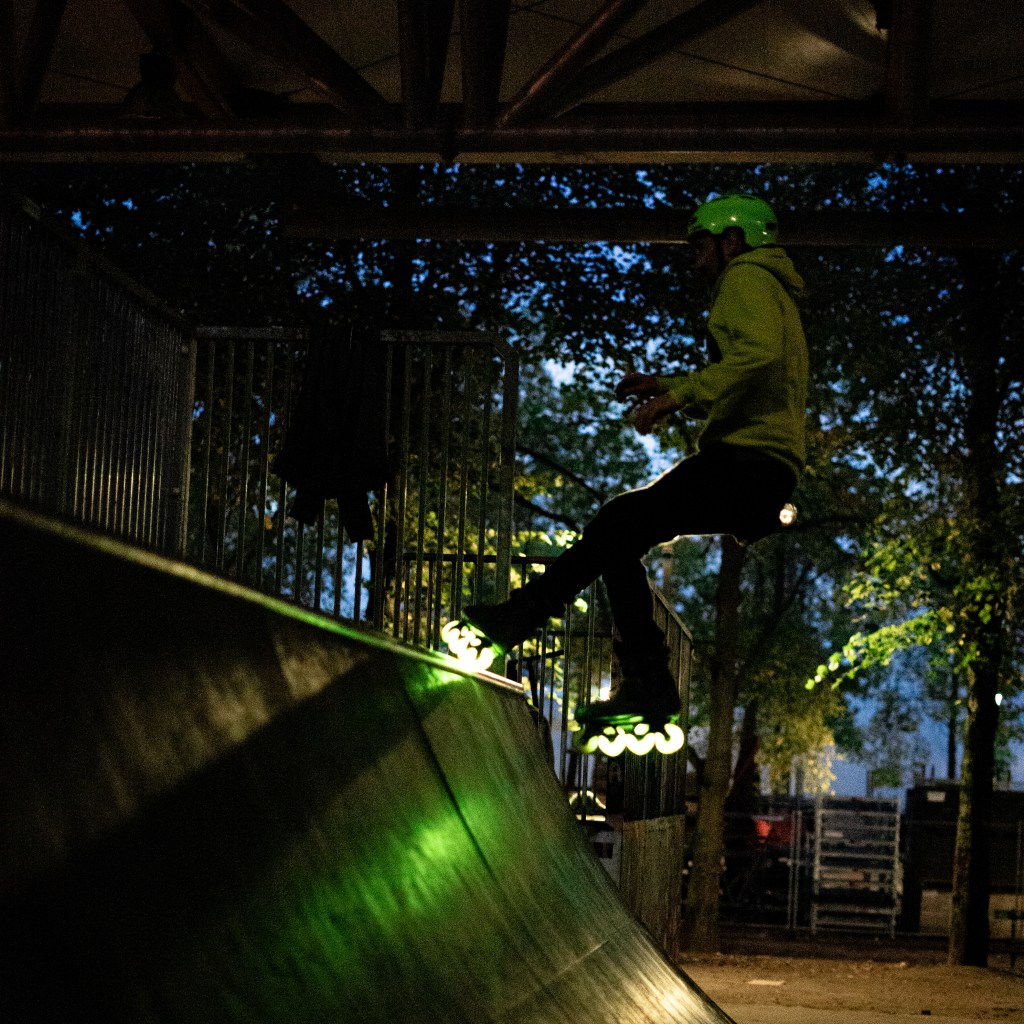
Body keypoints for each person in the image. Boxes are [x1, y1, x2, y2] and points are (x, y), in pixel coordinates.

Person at [442, 193, 809, 755]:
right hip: (759, 466)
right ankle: (548, 634)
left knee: (620, 522)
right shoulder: (774, 292)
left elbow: (756, 358)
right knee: (620, 526)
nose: (696, 259)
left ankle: (606, 660)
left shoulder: (747, 279)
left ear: (732, 241)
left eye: (701, 245)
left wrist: (678, 394)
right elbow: (754, 366)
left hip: (748, 462)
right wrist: (670, 386)